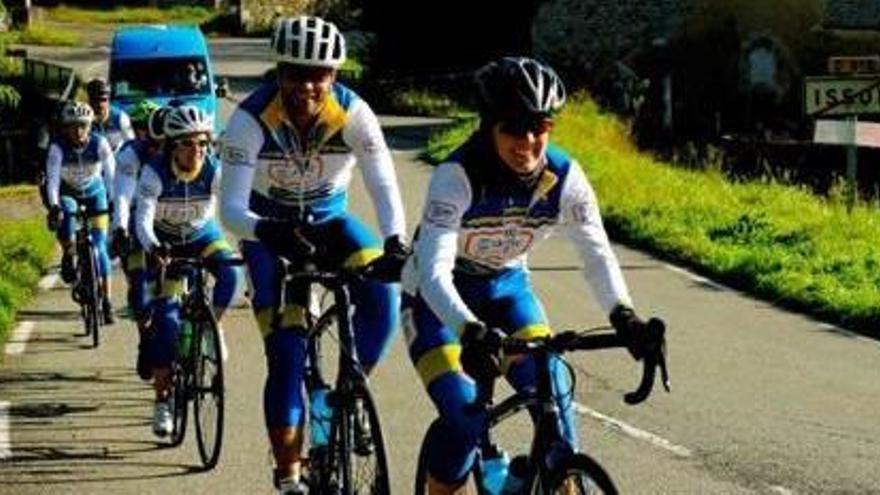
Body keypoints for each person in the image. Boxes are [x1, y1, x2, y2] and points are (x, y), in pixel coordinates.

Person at [400, 57, 652, 494]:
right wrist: (469, 330)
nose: (528, 142)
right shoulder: (456, 177)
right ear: (488, 127)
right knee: (464, 419)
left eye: (540, 127)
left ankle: (555, 481)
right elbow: (436, 271)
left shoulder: (564, 178)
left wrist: (624, 315)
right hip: (435, 302)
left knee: (555, 394)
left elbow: (596, 254)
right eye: (513, 129)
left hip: (505, 288)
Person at [219, 15, 409, 494]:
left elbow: (383, 181)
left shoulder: (353, 113)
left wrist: (395, 240)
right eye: (295, 73)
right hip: (267, 231)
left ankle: (344, 394)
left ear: (334, 76)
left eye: (318, 74)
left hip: (330, 223)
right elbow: (230, 209)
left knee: (384, 294)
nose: (306, 85)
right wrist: (269, 230)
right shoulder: (249, 119)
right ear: (279, 71)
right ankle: (288, 472)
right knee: (285, 352)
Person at [134, 104, 242, 437]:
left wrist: (247, 247)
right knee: (166, 324)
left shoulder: (213, 170)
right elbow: (142, 218)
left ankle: (212, 327)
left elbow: (233, 211)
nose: (196, 150)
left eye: (202, 143)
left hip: (202, 237)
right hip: (166, 245)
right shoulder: (154, 172)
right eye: (187, 143)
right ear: (171, 144)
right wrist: (154, 246)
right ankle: (163, 401)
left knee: (230, 274)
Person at [45, 100, 117, 324]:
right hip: (69, 194)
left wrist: (113, 201)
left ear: (90, 126)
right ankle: (68, 252)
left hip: (96, 194)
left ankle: (107, 301)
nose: (78, 131)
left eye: (83, 126)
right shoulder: (57, 147)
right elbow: (53, 180)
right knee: (66, 211)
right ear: (65, 128)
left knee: (100, 249)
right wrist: (54, 205)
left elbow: (111, 175)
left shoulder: (100, 143)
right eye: (73, 126)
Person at [111, 99, 165, 322]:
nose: (142, 132)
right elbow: (121, 196)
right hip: (134, 213)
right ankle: (138, 295)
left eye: (146, 127)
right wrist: (120, 228)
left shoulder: (171, 149)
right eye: (138, 127)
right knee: (138, 281)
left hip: (163, 212)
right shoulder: (129, 152)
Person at [86, 77, 135, 153]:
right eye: (95, 100)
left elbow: (131, 142)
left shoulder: (120, 117)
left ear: (109, 99)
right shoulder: (84, 119)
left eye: (103, 100)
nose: (100, 104)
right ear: (89, 101)